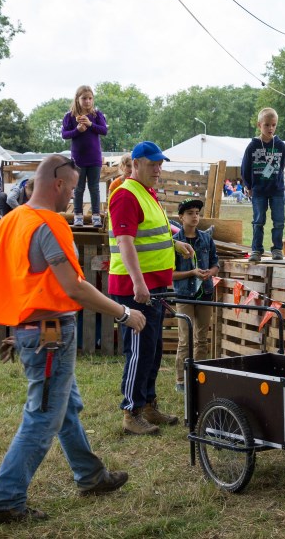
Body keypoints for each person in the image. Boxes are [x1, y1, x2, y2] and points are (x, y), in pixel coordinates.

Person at [0, 154, 147, 524]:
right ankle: (5, 501)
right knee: (42, 417)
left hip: (31, 332)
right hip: (49, 335)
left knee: (64, 406)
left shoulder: (10, 222)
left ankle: (90, 475)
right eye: (71, 188)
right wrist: (124, 314)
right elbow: (76, 287)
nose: (74, 195)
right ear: (57, 184)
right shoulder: (49, 224)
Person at [108, 140, 195, 435]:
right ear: (136, 163)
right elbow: (125, 242)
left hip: (154, 286)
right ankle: (131, 412)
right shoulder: (125, 195)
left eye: (160, 164)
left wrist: (175, 242)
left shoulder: (147, 193)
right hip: (135, 288)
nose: (159, 169)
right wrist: (139, 283)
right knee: (139, 351)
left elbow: (149, 234)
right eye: (153, 164)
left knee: (153, 349)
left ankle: (148, 404)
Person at [172, 198, 219, 393]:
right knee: (185, 339)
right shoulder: (175, 243)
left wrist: (211, 272)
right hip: (184, 295)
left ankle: (200, 376)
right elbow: (170, 274)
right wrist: (192, 273)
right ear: (181, 217)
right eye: (190, 213)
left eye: (197, 213)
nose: (195, 217)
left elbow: (216, 263)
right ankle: (181, 379)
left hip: (205, 293)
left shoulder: (206, 238)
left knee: (201, 338)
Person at [241, 107, 285, 262]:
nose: (270, 128)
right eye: (267, 125)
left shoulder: (281, 146)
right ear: (259, 125)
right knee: (259, 220)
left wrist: (277, 182)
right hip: (258, 191)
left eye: (273, 125)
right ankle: (256, 250)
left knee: (279, 220)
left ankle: (277, 249)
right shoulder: (252, 146)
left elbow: (281, 167)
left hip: (277, 190)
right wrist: (248, 186)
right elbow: (245, 168)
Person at [62, 85, 107, 228]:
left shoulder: (96, 115)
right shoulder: (69, 116)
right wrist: (77, 130)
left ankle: (95, 216)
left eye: (90, 98)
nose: (87, 101)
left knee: (94, 188)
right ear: (77, 99)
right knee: (79, 188)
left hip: (94, 158)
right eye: (84, 98)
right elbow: (65, 134)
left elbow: (104, 130)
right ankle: (78, 216)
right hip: (78, 159)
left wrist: (90, 124)